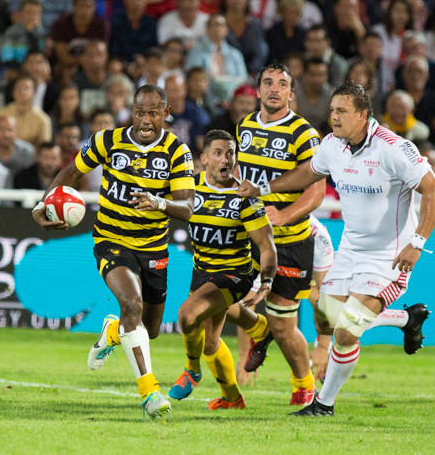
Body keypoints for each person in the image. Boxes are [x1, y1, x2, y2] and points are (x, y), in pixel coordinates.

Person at [240, 81, 435, 416]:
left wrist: (417, 243)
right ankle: (407, 319)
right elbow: (307, 173)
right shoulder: (332, 145)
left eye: (342, 111)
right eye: (332, 110)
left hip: (388, 258)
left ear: (363, 115)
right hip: (349, 251)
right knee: (326, 320)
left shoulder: (394, 148)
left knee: (347, 332)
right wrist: (263, 188)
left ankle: (323, 404)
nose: (333, 117)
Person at [34, 84, 195, 420]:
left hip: (153, 246)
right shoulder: (107, 141)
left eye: (153, 113)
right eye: (139, 112)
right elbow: (71, 172)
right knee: (132, 304)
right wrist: (43, 204)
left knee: (148, 329)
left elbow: (188, 207)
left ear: (166, 113)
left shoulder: (177, 151)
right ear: (131, 111)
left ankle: (112, 330)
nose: (145, 120)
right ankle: (150, 393)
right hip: (111, 239)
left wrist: (158, 202)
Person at [229, 63, 323, 405]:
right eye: (267, 82)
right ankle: (254, 339)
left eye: (282, 84)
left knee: (283, 325)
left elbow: (316, 190)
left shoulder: (304, 133)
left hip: (290, 242)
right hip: (249, 237)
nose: (274, 89)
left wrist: (283, 215)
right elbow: (239, 175)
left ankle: (303, 384)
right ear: (257, 91)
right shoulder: (245, 126)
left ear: (291, 94)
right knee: (226, 300)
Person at [168, 130, 276, 410]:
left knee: (187, 315)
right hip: (202, 271)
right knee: (210, 343)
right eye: (218, 153)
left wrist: (266, 281)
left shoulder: (244, 197)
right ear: (203, 159)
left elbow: (267, 246)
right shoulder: (189, 189)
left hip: (235, 274)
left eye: (230, 153)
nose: (225, 159)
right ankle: (233, 398)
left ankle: (191, 371)